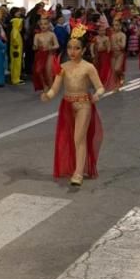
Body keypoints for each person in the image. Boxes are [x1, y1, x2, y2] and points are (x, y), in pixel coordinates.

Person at [40, 21, 105, 186]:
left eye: (76, 48)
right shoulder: (62, 67)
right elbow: (55, 89)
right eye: (69, 47)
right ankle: (75, 167)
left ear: (83, 50)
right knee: (70, 138)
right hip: (67, 106)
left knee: (79, 138)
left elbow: (100, 87)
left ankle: (78, 173)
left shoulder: (88, 67)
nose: (72, 51)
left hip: (83, 105)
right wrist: (48, 95)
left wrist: (97, 94)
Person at [32, 16, 59, 92]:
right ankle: (44, 85)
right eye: (41, 24)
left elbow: (57, 45)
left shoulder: (52, 34)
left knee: (48, 71)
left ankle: (51, 86)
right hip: (40, 55)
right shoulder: (37, 35)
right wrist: (35, 47)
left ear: (48, 25)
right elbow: (34, 46)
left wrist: (50, 47)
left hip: (50, 54)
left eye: (45, 24)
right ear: (39, 25)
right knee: (38, 71)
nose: (43, 26)